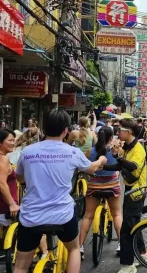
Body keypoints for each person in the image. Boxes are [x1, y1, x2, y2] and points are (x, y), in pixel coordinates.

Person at [13, 109, 107, 273]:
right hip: (62, 215)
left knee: (21, 266)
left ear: (44, 127)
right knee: (74, 249)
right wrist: (101, 159)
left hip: (31, 216)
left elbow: (20, 179)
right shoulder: (72, 152)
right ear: (65, 131)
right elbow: (92, 168)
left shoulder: (27, 152)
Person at [101, 118, 147, 273]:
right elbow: (121, 166)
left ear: (128, 132)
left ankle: (128, 265)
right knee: (134, 224)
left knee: (126, 229)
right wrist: (102, 166)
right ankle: (144, 253)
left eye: (120, 130)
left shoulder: (138, 149)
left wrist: (119, 156)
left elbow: (132, 166)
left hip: (136, 192)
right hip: (131, 191)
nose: (118, 133)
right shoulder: (129, 147)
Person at [79, 126, 123, 259]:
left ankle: (80, 246)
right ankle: (121, 244)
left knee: (87, 216)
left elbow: (84, 167)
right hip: (112, 186)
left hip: (94, 186)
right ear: (111, 138)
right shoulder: (117, 151)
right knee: (116, 214)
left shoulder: (90, 151)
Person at [0, 129, 19, 226]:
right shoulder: (3, 159)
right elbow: (1, 183)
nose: (13, 143)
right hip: (5, 210)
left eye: (14, 140)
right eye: (10, 140)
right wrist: (12, 204)